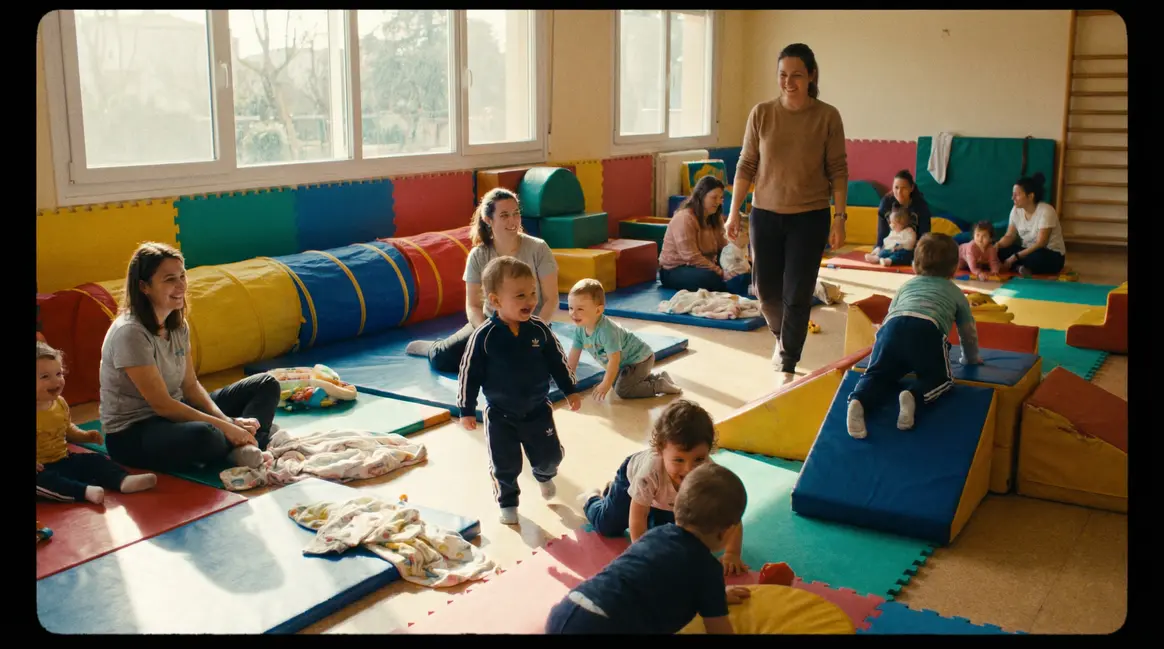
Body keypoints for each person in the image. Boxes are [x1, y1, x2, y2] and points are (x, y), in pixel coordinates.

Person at [99, 243, 282, 473]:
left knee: (266, 383)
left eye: (182, 276)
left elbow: (190, 385)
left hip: (176, 412)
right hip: (134, 432)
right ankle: (252, 440)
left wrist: (227, 420)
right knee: (206, 435)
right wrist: (227, 426)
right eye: (169, 279)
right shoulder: (130, 332)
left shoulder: (177, 323)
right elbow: (163, 405)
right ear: (144, 286)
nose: (181, 285)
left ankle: (244, 443)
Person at [726, 43, 849, 380]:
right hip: (765, 215)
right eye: (782, 75)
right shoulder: (762, 113)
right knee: (765, 293)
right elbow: (746, 164)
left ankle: (788, 363)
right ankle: (783, 339)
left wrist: (839, 217)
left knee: (796, 293)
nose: (788, 82)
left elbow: (838, 169)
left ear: (811, 76)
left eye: (796, 75)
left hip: (809, 218)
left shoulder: (827, 116)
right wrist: (733, 211)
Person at [546, 463, 752, 634]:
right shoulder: (708, 570)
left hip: (567, 610)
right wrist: (714, 598)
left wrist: (714, 597)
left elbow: (653, 581)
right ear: (726, 532)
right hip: (604, 626)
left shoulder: (654, 535)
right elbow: (719, 631)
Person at [457, 257, 582, 525]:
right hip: (501, 415)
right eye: (520, 295)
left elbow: (558, 361)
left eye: (533, 292)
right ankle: (508, 503)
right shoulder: (485, 336)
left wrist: (570, 389)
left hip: (538, 410)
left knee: (550, 457)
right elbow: (469, 374)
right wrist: (466, 409)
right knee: (505, 465)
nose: (530, 300)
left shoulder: (539, 330)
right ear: (496, 300)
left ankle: (544, 475)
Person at [578, 399, 748, 575]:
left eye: (699, 459)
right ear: (660, 451)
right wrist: (641, 554)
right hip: (631, 482)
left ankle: (621, 497)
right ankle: (592, 499)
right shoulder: (649, 472)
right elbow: (638, 516)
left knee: (671, 538)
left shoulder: (708, 475)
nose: (689, 469)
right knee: (607, 525)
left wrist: (732, 553)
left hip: (665, 500)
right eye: (679, 460)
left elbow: (731, 513)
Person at [406, 188, 559, 372]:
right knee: (443, 359)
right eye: (504, 215)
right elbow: (473, 305)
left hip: (531, 322)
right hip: (491, 323)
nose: (513, 221)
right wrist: (485, 333)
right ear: (488, 219)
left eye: (516, 213)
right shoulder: (478, 255)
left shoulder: (538, 248)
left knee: (527, 368)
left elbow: (552, 299)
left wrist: (533, 331)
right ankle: (433, 348)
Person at [846, 234, 983, 439]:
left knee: (878, 375)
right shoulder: (955, 293)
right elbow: (968, 331)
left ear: (915, 264)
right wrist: (970, 358)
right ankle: (913, 396)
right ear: (954, 267)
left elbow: (891, 315)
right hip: (926, 331)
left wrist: (882, 346)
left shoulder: (906, 286)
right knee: (940, 377)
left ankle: (859, 400)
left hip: (890, 331)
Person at [37, 341, 157, 505]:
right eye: (45, 377)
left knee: (93, 460)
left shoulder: (59, 403)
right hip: (40, 469)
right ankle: (83, 492)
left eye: (59, 374)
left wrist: (84, 436)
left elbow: (67, 428)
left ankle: (122, 480)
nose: (56, 381)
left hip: (62, 459)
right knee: (44, 480)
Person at [565, 279, 682, 400]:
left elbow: (614, 360)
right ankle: (658, 377)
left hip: (639, 360)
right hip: (625, 364)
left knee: (623, 390)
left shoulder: (607, 331)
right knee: (617, 383)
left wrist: (605, 384)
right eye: (570, 308)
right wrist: (567, 377)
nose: (573, 313)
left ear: (598, 310)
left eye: (580, 309)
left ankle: (659, 385)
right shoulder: (580, 330)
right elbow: (574, 355)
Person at [659, 176, 751, 296]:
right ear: (701, 196)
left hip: (706, 264)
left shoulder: (715, 218)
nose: (718, 202)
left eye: (721, 198)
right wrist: (721, 272)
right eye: (714, 197)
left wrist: (739, 262)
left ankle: (739, 282)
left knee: (748, 268)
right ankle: (738, 285)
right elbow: (691, 257)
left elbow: (723, 248)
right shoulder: (684, 218)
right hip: (676, 269)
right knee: (710, 278)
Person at [995, 173, 1067, 277]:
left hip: (1050, 254)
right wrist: (996, 246)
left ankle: (1016, 266)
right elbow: (1009, 236)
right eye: (1013, 194)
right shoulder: (1015, 210)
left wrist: (1014, 257)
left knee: (1037, 257)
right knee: (997, 251)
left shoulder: (1046, 211)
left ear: (1030, 196)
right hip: (1026, 252)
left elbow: (1040, 243)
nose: (1013, 198)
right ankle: (1020, 268)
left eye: (1017, 195)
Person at [874, 169, 933, 254]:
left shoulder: (920, 205)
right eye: (896, 187)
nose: (899, 192)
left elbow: (924, 234)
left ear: (911, 188)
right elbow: (882, 231)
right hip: (891, 244)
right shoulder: (886, 203)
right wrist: (879, 247)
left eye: (904, 188)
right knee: (880, 252)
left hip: (911, 246)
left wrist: (919, 251)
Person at [719, 214, 753, 292]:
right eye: (747, 234)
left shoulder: (744, 246)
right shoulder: (729, 249)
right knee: (741, 280)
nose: (749, 238)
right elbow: (724, 262)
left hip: (744, 273)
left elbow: (745, 258)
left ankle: (750, 288)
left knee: (751, 277)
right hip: (733, 278)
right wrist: (728, 271)